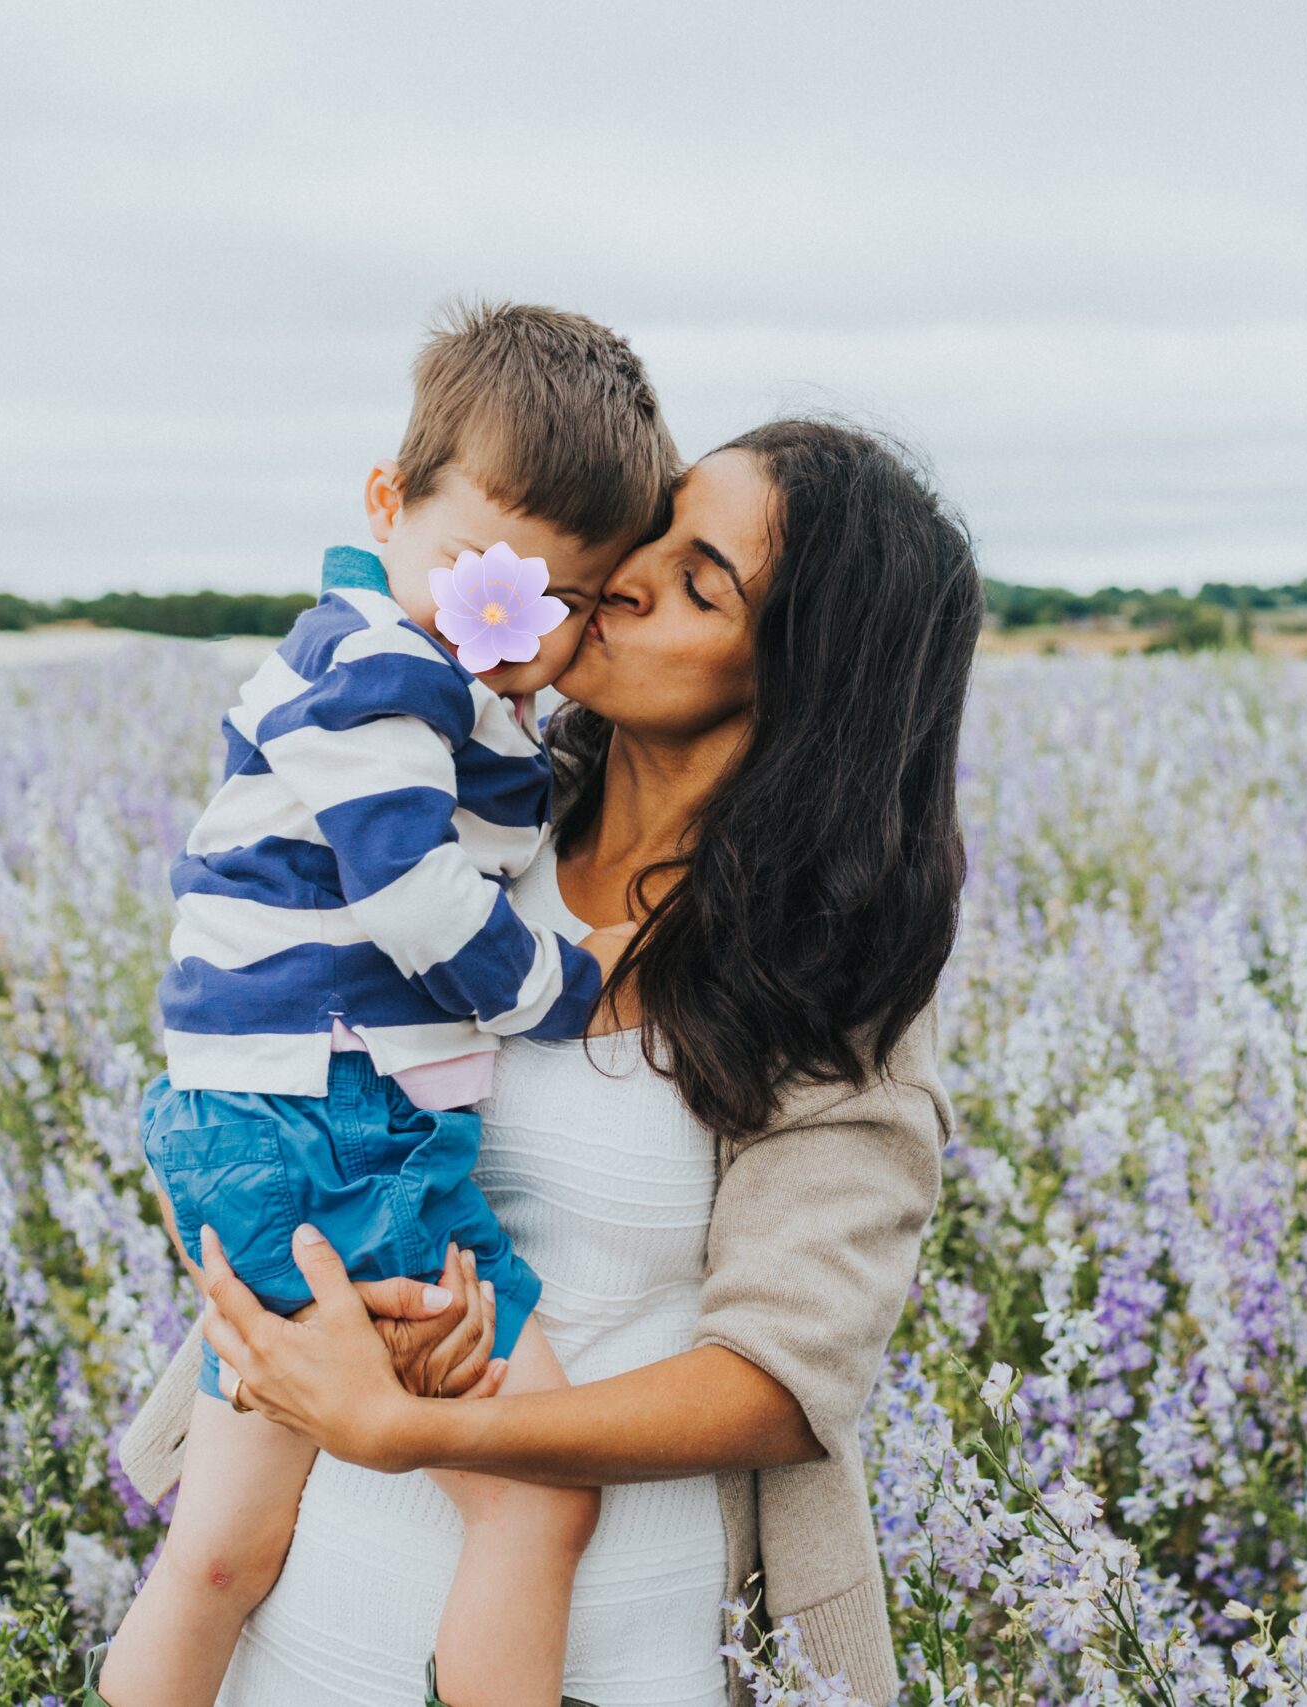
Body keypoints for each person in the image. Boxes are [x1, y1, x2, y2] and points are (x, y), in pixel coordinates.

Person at [113, 419, 984, 1706]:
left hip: (615, 1649)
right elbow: (255, 1070)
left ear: (802, 677)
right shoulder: (452, 822)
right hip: (300, 1620)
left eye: (702, 583)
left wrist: (425, 1430)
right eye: (653, 535)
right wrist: (300, 1300)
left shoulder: (827, 968)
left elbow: (784, 1385)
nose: (624, 579)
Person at [95, 302, 680, 1707]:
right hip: (342, 1120)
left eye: (561, 600)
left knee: (223, 1547)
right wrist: (561, 982)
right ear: (384, 500)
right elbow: (417, 898)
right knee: (540, 1501)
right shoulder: (381, 666)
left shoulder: (422, 672)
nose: (511, 623)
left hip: (289, 1113)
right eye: (493, 574)